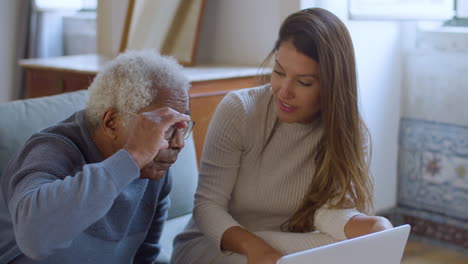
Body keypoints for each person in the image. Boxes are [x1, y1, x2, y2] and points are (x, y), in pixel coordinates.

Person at [171, 8, 393, 264]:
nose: (284, 91)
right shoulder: (240, 111)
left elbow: (327, 212)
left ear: (332, 86)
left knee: (351, 248)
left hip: (279, 246)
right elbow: (207, 207)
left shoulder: (347, 131)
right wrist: (257, 248)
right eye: (279, 72)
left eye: (304, 82)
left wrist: (368, 227)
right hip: (215, 245)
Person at [0, 50, 193, 264]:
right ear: (112, 122)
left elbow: (144, 257)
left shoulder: (155, 170)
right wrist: (132, 157)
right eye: (163, 127)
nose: (178, 143)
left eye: (182, 126)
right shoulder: (48, 150)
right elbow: (34, 239)